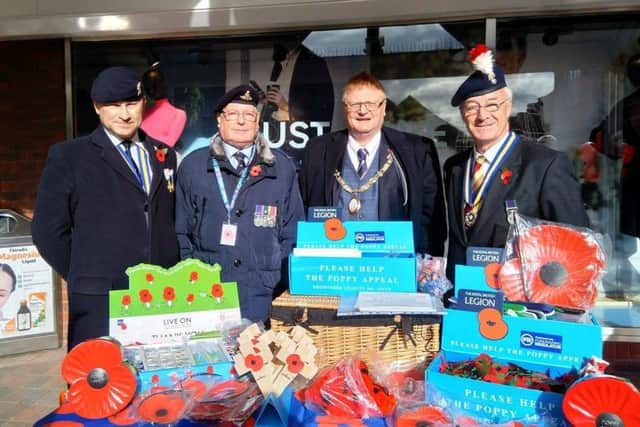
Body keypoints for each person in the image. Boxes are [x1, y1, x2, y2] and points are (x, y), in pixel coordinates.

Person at [32, 66, 179, 350]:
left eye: (131, 103)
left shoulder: (164, 154)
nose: (124, 114)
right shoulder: (69, 157)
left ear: (143, 104)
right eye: (113, 105)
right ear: (97, 108)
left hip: (159, 296)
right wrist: (84, 275)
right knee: (99, 382)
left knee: (158, 386)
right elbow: (48, 232)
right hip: (100, 300)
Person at [444, 45, 589, 281]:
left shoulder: (545, 166)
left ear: (508, 107)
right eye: (472, 108)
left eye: (492, 105)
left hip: (519, 302)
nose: (482, 115)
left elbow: (576, 245)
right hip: (463, 296)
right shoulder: (455, 167)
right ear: (463, 115)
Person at [175, 84, 304, 322]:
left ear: (257, 121)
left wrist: (278, 280)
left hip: (266, 294)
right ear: (219, 120)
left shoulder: (281, 167)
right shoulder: (193, 167)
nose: (241, 122)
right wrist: (194, 280)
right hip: (208, 294)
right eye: (232, 114)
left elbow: (293, 232)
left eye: (249, 115)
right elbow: (182, 233)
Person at [299, 72, 446, 256]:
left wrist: (425, 268)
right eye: (355, 104)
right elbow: (302, 210)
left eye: (370, 104)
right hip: (334, 269)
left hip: (393, 271)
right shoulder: (317, 150)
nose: (363, 111)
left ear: (383, 107)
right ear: (345, 108)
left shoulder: (416, 151)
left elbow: (432, 220)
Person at [140, 62, 187, 148]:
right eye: (148, 87)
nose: (151, 90)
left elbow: (167, 144)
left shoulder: (178, 114)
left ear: (164, 85)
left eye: (156, 85)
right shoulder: (141, 114)